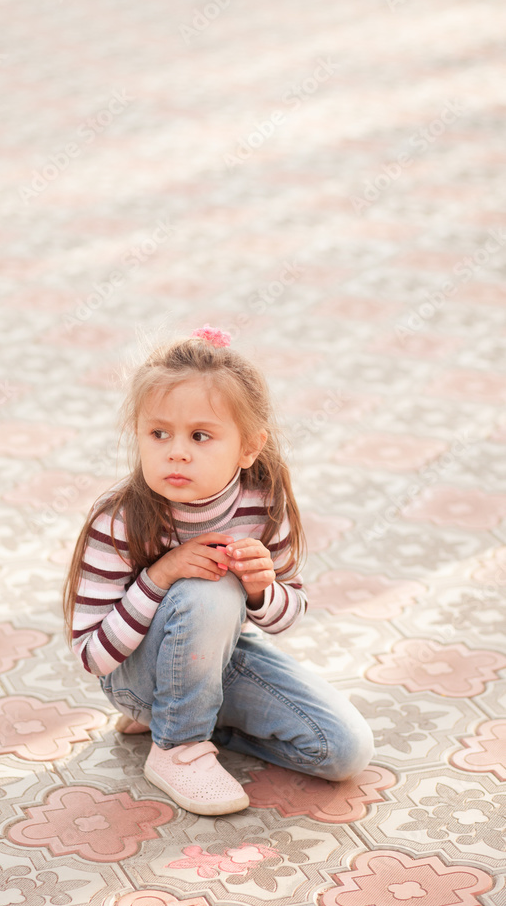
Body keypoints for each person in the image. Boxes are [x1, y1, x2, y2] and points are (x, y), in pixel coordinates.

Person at [62, 324, 374, 816]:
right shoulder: (119, 519)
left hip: (217, 658)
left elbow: (287, 615)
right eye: (158, 433)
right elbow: (91, 656)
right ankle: (178, 748)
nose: (177, 451)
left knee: (344, 751)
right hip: (133, 677)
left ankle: (182, 717)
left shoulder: (262, 501)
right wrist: (161, 576)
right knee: (210, 587)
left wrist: (260, 588)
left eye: (201, 435)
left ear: (249, 447)